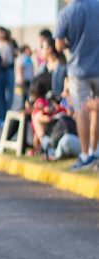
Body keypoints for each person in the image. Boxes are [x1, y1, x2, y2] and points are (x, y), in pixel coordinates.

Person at [55, 0, 99, 171]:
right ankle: (95, 150)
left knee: (81, 110)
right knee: (96, 111)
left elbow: (59, 45)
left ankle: (84, 155)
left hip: (78, 69)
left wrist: (71, 42)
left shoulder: (66, 12)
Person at [0, 26, 16, 122]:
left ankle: (3, 117)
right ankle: (0, 116)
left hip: (4, 71)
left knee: (4, 95)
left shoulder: (6, 44)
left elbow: (6, 60)